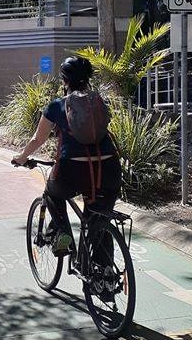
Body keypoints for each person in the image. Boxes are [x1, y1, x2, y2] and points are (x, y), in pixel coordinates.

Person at [12, 57, 121, 257]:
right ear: (88, 79)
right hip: (109, 169)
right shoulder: (98, 102)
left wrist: (21, 157)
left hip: (72, 171)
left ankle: (62, 233)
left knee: (52, 193)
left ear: (65, 81)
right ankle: (104, 277)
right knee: (99, 219)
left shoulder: (57, 106)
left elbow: (38, 139)